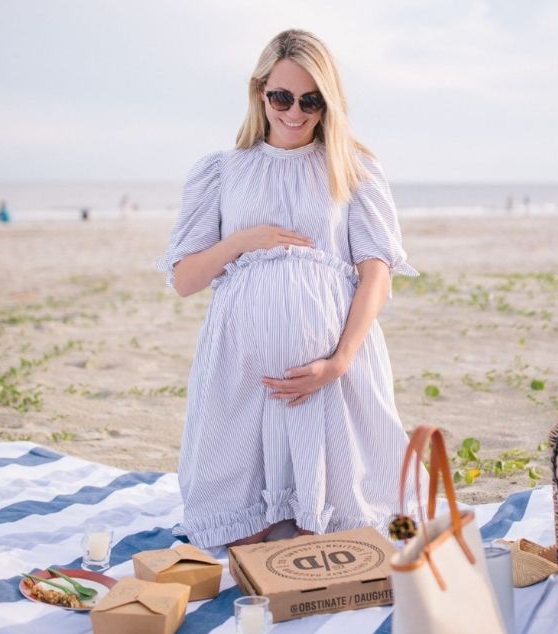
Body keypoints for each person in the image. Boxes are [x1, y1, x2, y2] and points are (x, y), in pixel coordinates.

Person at [157, 29, 420, 549]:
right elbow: (186, 279)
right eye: (282, 97)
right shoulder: (223, 171)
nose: (295, 113)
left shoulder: (352, 168)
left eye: (311, 100)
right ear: (260, 92)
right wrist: (244, 240)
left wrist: (339, 362)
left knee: (340, 537)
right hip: (240, 374)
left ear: (328, 103)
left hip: (329, 375)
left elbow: (376, 273)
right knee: (239, 540)